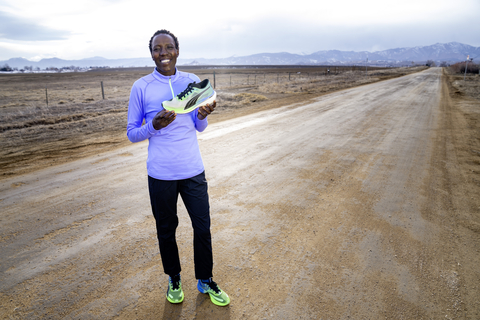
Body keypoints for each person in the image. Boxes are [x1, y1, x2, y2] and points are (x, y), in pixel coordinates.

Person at [126, 29, 230, 307]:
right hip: (160, 173)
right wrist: (153, 126)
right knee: (166, 229)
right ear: (152, 54)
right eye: (157, 49)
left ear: (177, 50)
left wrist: (202, 115)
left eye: (168, 47)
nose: (163, 53)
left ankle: (205, 280)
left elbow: (199, 127)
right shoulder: (142, 87)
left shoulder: (192, 81)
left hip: (193, 169)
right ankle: (174, 277)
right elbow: (132, 133)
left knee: (202, 227)